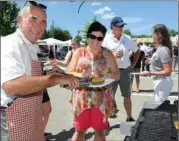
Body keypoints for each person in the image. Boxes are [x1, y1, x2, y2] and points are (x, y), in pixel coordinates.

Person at [1, 3, 79, 141]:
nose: (39, 27)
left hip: (33, 114)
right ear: (20, 20)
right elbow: (11, 85)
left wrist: (50, 71)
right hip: (13, 118)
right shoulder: (11, 43)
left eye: (43, 22)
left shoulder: (32, 46)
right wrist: (53, 79)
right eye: (33, 20)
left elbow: (31, 73)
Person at [67, 21, 120, 141]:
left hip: (101, 99)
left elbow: (117, 75)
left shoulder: (108, 54)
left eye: (99, 38)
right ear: (88, 36)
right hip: (82, 98)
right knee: (79, 131)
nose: (96, 41)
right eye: (93, 37)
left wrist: (107, 75)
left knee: (100, 133)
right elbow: (69, 72)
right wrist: (81, 74)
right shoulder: (79, 52)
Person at [102, 16, 140, 123]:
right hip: (111, 72)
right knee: (109, 98)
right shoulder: (106, 39)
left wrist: (133, 65)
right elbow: (100, 55)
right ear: (113, 27)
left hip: (124, 72)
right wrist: (112, 55)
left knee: (127, 96)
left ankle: (129, 118)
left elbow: (137, 51)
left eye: (123, 25)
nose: (122, 27)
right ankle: (106, 123)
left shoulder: (127, 38)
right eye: (119, 26)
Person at [140, 24, 173, 102]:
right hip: (160, 81)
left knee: (160, 106)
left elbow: (168, 71)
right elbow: (160, 61)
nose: (152, 36)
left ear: (159, 35)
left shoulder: (163, 50)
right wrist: (150, 61)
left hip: (162, 82)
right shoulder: (161, 48)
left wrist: (149, 73)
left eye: (153, 33)